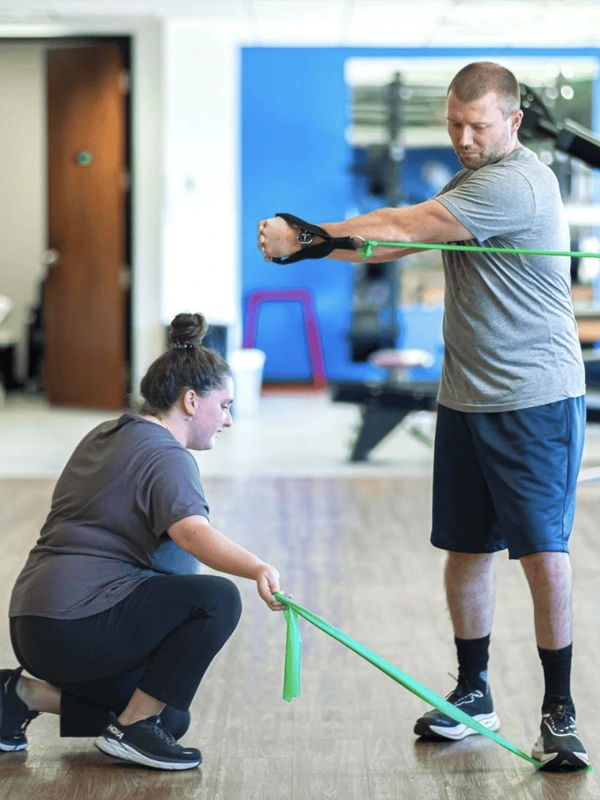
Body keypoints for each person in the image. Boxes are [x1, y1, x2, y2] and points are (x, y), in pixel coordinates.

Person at [257, 62, 588, 771]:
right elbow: (390, 242)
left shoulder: (517, 183)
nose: (465, 139)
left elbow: (405, 222)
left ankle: (559, 711)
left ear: (514, 123)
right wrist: (312, 243)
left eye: (478, 126)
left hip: (531, 398)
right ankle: (474, 692)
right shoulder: (467, 181)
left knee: (541, 553)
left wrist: (304, 233)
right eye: (454, 126)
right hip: (467, 397)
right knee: (466, 548)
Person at [2, 312, 285, 771]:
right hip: (76, 622)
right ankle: (132, 731)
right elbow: (192, 534)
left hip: (35, 623)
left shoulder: (106, 433)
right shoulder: (166, 455)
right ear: (192, 401)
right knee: (217, 599)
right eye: (225, 405)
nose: (228, 420)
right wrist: (256, 568)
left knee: (168, 717)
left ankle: (17, 695)